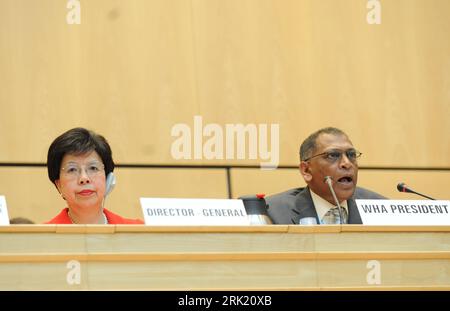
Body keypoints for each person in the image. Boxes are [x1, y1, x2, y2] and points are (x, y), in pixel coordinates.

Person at [266, 127, 386, 224]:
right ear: (306, 170)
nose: (347, 163)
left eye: (351, 155)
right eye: (333, 155)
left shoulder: (382, 209)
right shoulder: (273, 212)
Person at [45, 127, 144, 224]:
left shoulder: (139, 233)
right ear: (59, 185)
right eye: (72, 169)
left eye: (93, 168)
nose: (84, 178)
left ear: (108, 179)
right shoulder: (41, 237)